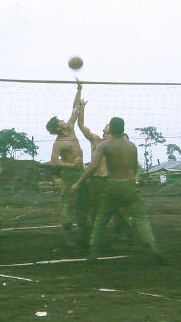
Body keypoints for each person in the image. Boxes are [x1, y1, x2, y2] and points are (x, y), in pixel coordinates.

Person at [71, 117, 163, 262]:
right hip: (129, 185)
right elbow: (134, 168)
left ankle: (93, 251)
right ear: (123, 128)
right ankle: (153, 247)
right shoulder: (131, 146)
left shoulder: (104, 146)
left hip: (112, 185)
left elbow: (93, 167)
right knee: (140, 218)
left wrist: (78, 183)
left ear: (111, 129)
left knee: (101, 219)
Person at [77, 98, 134, 237]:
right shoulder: (96, 139)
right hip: (96, 181)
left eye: (108, 124)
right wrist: (82, 108)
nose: (106, 125)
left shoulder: (119, 142)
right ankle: (93, 237)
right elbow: (81, 125)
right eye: (106, 124)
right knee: (95, 210)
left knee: (119, 209)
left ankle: (127, 232)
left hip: (110, 180)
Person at [47, 83, 89, 248]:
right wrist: (71, 165)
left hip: (81, 173)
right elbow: (53, 162)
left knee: (83, 202)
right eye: (61, 121)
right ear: (58, 127)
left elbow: (75, 108)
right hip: (70, 175)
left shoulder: (71, 127)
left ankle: (85, 234)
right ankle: (68, 235)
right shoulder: (59, 142)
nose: (64, 120)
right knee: (68, 204)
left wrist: (79, 89)